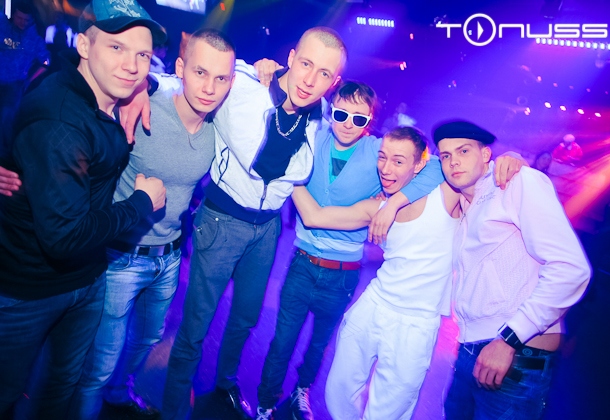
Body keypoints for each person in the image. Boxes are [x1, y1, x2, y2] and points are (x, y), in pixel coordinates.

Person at [142, 27, 347, 419]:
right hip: (222, 221)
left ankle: (225, 385)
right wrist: (138, 89)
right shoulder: (244, 84)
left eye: (323, 73)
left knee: (246, 319)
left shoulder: (319, 114)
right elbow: (189, 80)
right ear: (291, 58)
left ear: (333, 82)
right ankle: (174, 407)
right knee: (197, 324)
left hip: (267, 229)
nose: (310, 79)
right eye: (306, 64)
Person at [0, 0, 167, 418]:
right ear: (84, 46)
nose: (131, 65)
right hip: (27, 287)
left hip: (87, 277)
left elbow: (164, 80)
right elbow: (64, 236)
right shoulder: (60, 119)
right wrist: (142, 203)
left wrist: (144, 88)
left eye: (143, 55)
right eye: (116, 47)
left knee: (63, 384)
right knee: (6, 392)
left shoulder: (109, 94)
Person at [74, 29, 235, 419]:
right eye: (200, 72)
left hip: (169, 258)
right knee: (100, 362)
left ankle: (118, 392)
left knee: (146, 341)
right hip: (120, 256)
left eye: (221, 78)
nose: (209, 88)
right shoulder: (142, 107)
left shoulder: (221, 126)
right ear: (180, 68)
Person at [289, 126, 460, 420]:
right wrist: (287, 173)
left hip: (416, 320)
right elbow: (314, 216)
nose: (386, 168)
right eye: (382, 157)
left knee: (390, 407)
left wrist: (512, 158)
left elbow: (461, 167)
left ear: (419, 164)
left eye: (398, 161)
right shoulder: (375, 207)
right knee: (339, 390)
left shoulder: (446, 196)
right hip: (374, 305)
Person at [434, 121, 591, 420]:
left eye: (463, 151)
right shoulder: (466, 203)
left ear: (486, 155)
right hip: (472, 351)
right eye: (445, 155)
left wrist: (509, 339)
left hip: (514, 353)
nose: (453, 161)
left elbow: (571, 268)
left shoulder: (517, 182)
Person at [0, 1, 49, 157]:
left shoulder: (34, 39)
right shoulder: (2, 27)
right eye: (19, 18)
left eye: (26, 20)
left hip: (14, 86)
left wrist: (29, 80)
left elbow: (46, 62)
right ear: (13, 15)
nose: (23, 22)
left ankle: (5, 156)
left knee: (6, 118)